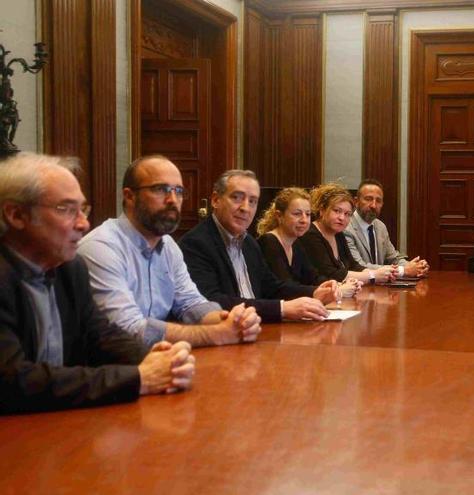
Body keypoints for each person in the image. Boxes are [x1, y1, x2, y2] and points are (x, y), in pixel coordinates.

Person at [0, 153, 194, 413]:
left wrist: (153, 357)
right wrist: (139, 377)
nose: (83, 223)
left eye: (83, 209)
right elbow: (12, 381)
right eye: (66, 210)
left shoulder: (70, 268)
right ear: (16, 215)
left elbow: (100, 335)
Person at [78, 156, 262, 347]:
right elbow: (129, 329)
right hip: (111, 368)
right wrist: (216, 334)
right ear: (129, 196)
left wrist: (232, 321)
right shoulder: (101, 247)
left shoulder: (168, 246)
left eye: (179, 191)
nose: (173, 200)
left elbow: (191, 303)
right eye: (160, 189)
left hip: (161, 359)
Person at [179, 170, 334, 322]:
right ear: (215, 200)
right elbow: (211, 301)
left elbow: (270, 286)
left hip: (255, 327)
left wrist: (314, 292)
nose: (245, 208)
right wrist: (282, 309)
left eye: (252, 201)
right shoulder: (195, 243)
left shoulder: (249, 242)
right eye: (237, 198)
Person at [255, 186, 361, 296]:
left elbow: (313, 277)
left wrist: (338, 285)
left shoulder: (295, 243)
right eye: (297, 214)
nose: (304, 220)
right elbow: (284, 288)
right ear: (279, 215)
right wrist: (335, 292)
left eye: (308, 214)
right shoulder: (269, 242)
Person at [298, 183, 394, 284]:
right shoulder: (310, 235)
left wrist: (382, 273)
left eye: (347, 214)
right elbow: (331, 274)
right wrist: (373, 275)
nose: (342, 218)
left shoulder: (338, 234)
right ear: (322, 210)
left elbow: (353, 265)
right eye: (337, 211)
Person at [344, 179, 429, 278]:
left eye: (378, 201)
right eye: (368, 199)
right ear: (356, 202)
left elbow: (393, 258)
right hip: (357, 287)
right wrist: (403, 270)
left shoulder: (380, 226)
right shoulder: (346, 227)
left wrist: (416, 267)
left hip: (381, 288)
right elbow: (359, 266)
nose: (373, 205)